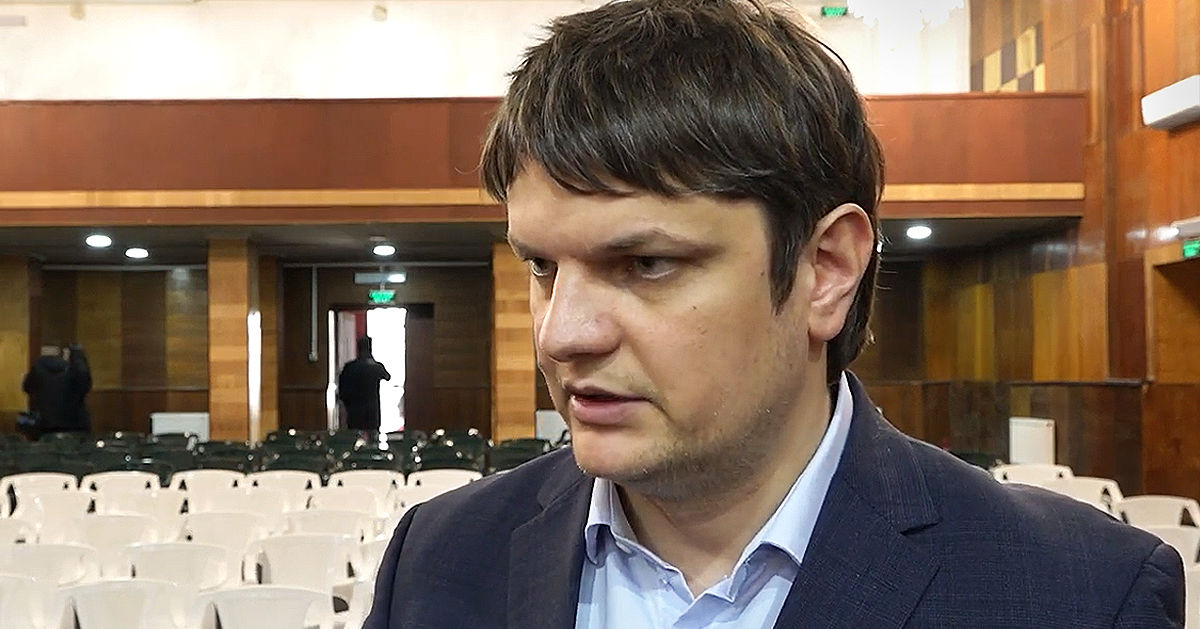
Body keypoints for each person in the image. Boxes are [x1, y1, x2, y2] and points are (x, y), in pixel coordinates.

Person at [365, 0, 1184, 627]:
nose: (562, 333)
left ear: (826, 270)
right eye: (542, 266)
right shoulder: (438, 558)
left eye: (645, 263)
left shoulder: (1080, 593)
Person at [21, 343, 92, 438]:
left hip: (43, 425)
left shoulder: (36, 371)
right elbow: (84, 384)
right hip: (73, 424)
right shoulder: (72, 372)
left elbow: (26, 388)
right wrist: (78, 354)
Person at [337, 335, 392, 431]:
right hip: (371, 410)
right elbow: (387, 377)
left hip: (354, 410)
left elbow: (342, 389)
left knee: (354, 434)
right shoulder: (375, 367)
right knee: (372, 435)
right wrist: (372, 360)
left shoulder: (350, 367)